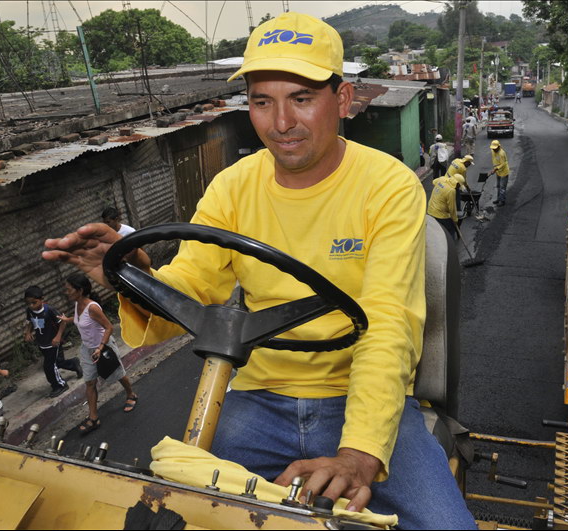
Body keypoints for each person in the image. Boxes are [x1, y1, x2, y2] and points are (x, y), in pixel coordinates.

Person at [43, 12, 475, 529]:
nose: (281, 123)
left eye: (301, 98)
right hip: (255, 399)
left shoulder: (388, 186)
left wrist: (360, 452)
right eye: (261, 101)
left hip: (357, 396)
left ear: (341, 101)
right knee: (182, 517)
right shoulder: (232, 186)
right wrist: (128, 278)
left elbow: (387, 323)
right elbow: (190, 292)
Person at [58, 272, 138, 434]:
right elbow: (79, 320)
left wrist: (100, 348)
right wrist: (67, 320)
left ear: (79, 290)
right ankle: (93, 418)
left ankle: (131, 394)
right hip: (87, 349)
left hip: (103, 347)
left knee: (117, 374)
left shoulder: (92, 307)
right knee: (90, 382)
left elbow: (109, 327)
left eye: (69, 289)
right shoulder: (77, 304)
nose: (66, 293)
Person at [23, 285, 82, 397]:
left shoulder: (49, 310)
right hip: (42, 343)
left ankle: (59, 385)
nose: (31, 306)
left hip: (53, 343)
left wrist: (58, 337)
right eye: (28, 303)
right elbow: (30, 321)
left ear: (42, 299)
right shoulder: (30, 311)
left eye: (34, 302)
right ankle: (73, 363)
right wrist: (28, 332)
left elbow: (62, 322)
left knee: (49, 366)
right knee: (57, 362)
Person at [490, 139, 510, 206]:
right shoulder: (492, 151)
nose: (494, 150)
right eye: (493, 148)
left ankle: (502, 201)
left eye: (495, 148)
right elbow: (494, 160)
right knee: (498, 186)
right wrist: (495, 169)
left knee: (502, 187)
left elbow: (503, 164)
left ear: (499, 146)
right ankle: (498, 199)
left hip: (504, 172)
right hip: (498, 172)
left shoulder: (501, 153)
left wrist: (495, 169)